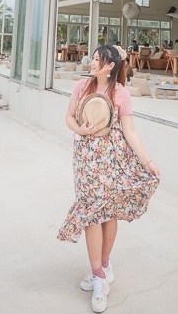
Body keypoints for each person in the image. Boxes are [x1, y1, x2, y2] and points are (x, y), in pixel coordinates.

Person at [59, 44, 160, 312]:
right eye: (92, 58)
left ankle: (103, 266)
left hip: (112, 160)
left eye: (97, 60)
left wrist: (147, 161)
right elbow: (69, 117)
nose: (91, 63)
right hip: (85, 160)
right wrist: (79, 128)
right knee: (91, 213)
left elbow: (130, 132)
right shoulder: (81, 87)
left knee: (108, 213)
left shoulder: (121, 93)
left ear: (110, 66)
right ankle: (99, 275)